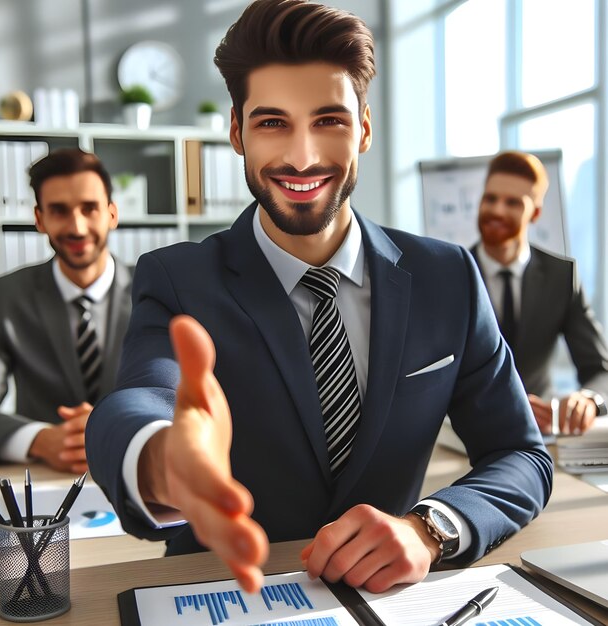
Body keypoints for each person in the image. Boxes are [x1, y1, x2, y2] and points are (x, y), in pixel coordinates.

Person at [86, 0, 552, 595]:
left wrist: (430, 529)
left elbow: (520, 454)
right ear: (237, 131)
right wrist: (164, 458)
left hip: (390, 603)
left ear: (364, 127)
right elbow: (139, 399)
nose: (302, 157)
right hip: (227, 595)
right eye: (273, 123)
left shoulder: (448, 277)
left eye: (329, 120)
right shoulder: (178, 278)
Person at [0, 148, 132, 473]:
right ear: (40, 219)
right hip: (46, 481)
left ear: (112, 214)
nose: (77, 228)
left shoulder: (156, 291)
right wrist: (38, 439)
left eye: (89, 209)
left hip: (139, 472)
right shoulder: (6, 296)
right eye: (60, 211)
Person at [472, 150, 608, 435]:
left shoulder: (562, 276)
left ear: (535, 212)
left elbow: (599, 370)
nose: (497, 210)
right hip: (466, 434)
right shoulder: (451, 272)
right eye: (490, 198)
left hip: (540, 434)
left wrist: (588, 399)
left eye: (512, 202)